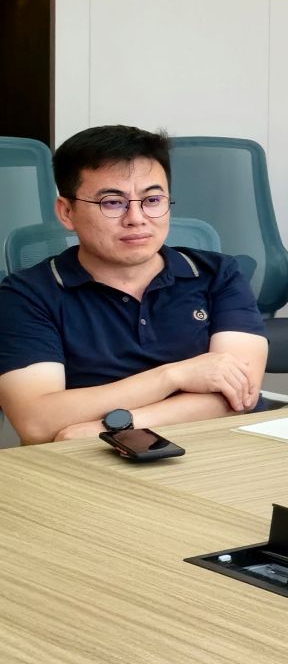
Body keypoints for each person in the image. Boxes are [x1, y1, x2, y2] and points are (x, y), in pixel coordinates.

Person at [0, 125, 268, 444]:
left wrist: (111, 427)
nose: (136, 218)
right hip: (93, 462)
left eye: (152, 199)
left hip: (220, 448)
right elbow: (37, 422)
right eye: (113, 203)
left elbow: (240, 395)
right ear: (67, 212)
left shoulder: (217, 274)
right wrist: (173, 376)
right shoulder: (26, 295)